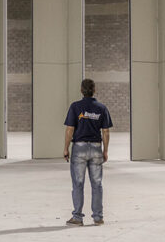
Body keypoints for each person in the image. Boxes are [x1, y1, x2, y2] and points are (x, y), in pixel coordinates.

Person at [63, 79, 113, 226]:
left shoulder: (75, 106)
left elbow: (69, 130)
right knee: (97, 184)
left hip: (79, 148)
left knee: (78, 183)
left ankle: (77, 218)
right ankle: (98, 217)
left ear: (81, 90)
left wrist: (66, 148)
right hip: (96, 148)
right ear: (94, 90)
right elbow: (106, 132)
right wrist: (105, 151)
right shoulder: (101, 108)